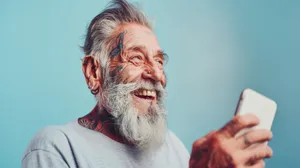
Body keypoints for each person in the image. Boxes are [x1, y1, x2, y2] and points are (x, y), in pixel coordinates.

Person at [22, 0, 273, 167]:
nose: (155, 74)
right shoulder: (55, 148)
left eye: (159, 61)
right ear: (93, 71)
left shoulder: (171, 145)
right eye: (137, 58)